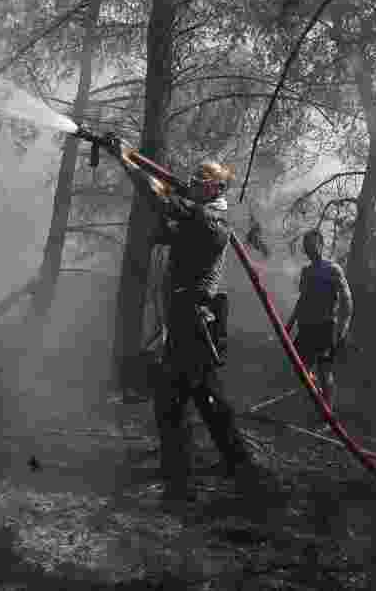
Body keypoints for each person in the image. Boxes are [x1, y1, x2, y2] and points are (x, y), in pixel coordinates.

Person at [117, 147, 264, 502]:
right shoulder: (200, 215)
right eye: (193, 181)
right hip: (186, 318)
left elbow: (168, 204)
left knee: (184, 397)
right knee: (200, 397)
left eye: (200, 182)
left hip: (198, 322)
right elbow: (167, 226)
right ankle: (230, 465)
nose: (194, 186)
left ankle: (189, 477)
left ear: (214, 189)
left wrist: (128, 162)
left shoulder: (214, 222)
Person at [285, 228, 354, 414]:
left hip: (326, 327)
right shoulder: (306, 272)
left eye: (312, 244)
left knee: (325, 372)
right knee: (301, 369)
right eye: (306, 245)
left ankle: (327, 413)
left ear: (321, 245)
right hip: (307, 327)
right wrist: (289, 324)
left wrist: (344, 325)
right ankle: (319, 399)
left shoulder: (333, 269)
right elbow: (302, 300)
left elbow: (347, 299)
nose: (309, 248)